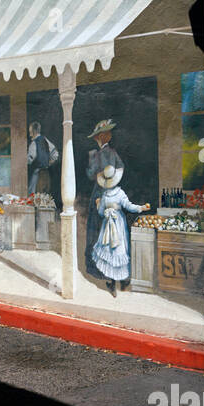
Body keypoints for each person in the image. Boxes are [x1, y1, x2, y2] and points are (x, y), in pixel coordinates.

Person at [91, 164, 150, 295]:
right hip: (118, 225)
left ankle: (112, 284)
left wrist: (98, 204)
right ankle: (123, 282)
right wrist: (141, 208)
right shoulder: (120, 193)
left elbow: (101, 213)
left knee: (110, 252)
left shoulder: (105, 195)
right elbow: (129, 206)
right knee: (120, 251)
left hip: (108, 225)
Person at [83, 118, 123, 282]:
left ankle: (95, 267)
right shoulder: (114, 153)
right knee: (110, 230)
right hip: (113, 195)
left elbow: (91, 174)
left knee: (96, 230)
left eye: (99, 136)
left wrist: (90, 159)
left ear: (100, 137)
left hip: (99, 196)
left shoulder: (98, 155)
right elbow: (120, 169)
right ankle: (109, 267)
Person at [26, 121, 60, 196]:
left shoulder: (33, 143)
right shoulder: (46, 140)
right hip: (46, 173)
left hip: (37, 174)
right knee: (45, 195)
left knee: (33, 194)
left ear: (34, 131)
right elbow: (55, 154)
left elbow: (30, 159)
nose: (30, 134)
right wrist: (48, 162)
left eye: (30, 131)